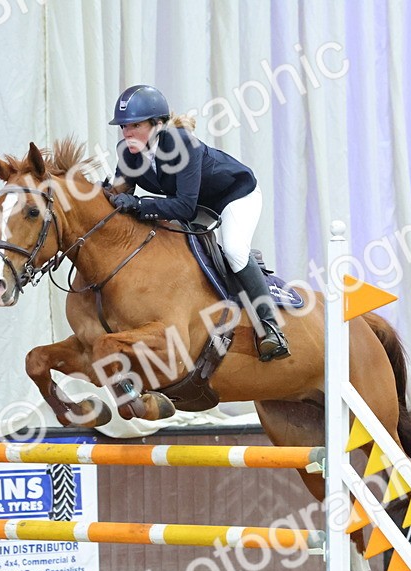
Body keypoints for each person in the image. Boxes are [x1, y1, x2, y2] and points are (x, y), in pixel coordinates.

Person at [107, 84, 289, 362]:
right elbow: (119, 194)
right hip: (196, 205)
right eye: (123, 127)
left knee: (234, 249)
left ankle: (271, 327)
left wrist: (141, 205)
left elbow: (184, 206)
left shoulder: (183, 145)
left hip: (234, 196)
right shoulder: (127, 152)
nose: (127, 133)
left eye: (135, 125)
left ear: (157, 125)